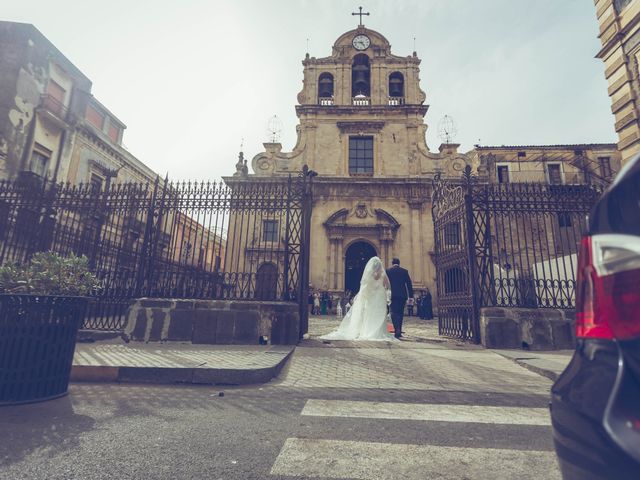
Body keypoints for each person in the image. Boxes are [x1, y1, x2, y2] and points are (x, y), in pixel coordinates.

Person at [321, 256, 396, 341]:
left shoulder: (369, 274)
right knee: (380, 313)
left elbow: (365, 286)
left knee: (369, 313)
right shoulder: (383, 274)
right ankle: (378, 331)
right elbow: (387, 285)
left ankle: (367, 330)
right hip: (380, 296)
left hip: (371, 296)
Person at [385, 258, 413, 339]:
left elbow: (386, 284)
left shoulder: (388, 271)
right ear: (399, 263)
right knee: (400, 313)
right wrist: (410, 296)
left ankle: (396, 328)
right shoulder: (404, 271)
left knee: (393, 312)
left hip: (392, 295)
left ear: (392, 263)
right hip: (402, 295)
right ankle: (399, 330)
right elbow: (409, 284)